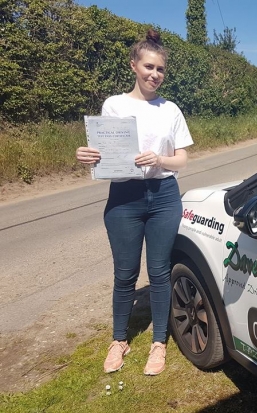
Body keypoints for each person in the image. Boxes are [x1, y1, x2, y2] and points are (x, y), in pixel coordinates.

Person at [76, 28, 193, 376]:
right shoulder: (114, 105)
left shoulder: (170, 109)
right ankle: (119, 340)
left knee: (158, 273)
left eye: (160, 70)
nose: (154, 75)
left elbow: (182, 159)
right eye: (148, 67)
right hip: (124, 201)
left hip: (163, 198)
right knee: (124, 275)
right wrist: (89, 156)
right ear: (133, 65)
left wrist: (159, 159)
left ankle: (159, 343)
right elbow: (106, 153)